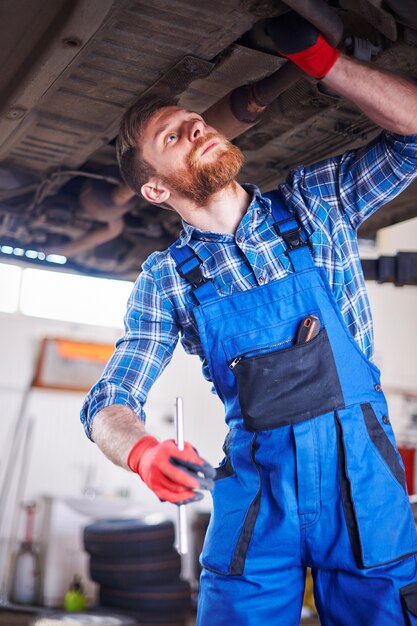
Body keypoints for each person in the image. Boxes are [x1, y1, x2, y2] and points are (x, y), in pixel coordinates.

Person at [81, 12, 417, 626]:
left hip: (362, 479)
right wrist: (142, 454)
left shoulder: (318, 201)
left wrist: (327, 65)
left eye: (194, 121)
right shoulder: (168, 279)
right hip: (260, 496)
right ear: (155, 189)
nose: (196, 127)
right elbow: (109, 400)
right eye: (174, 138)